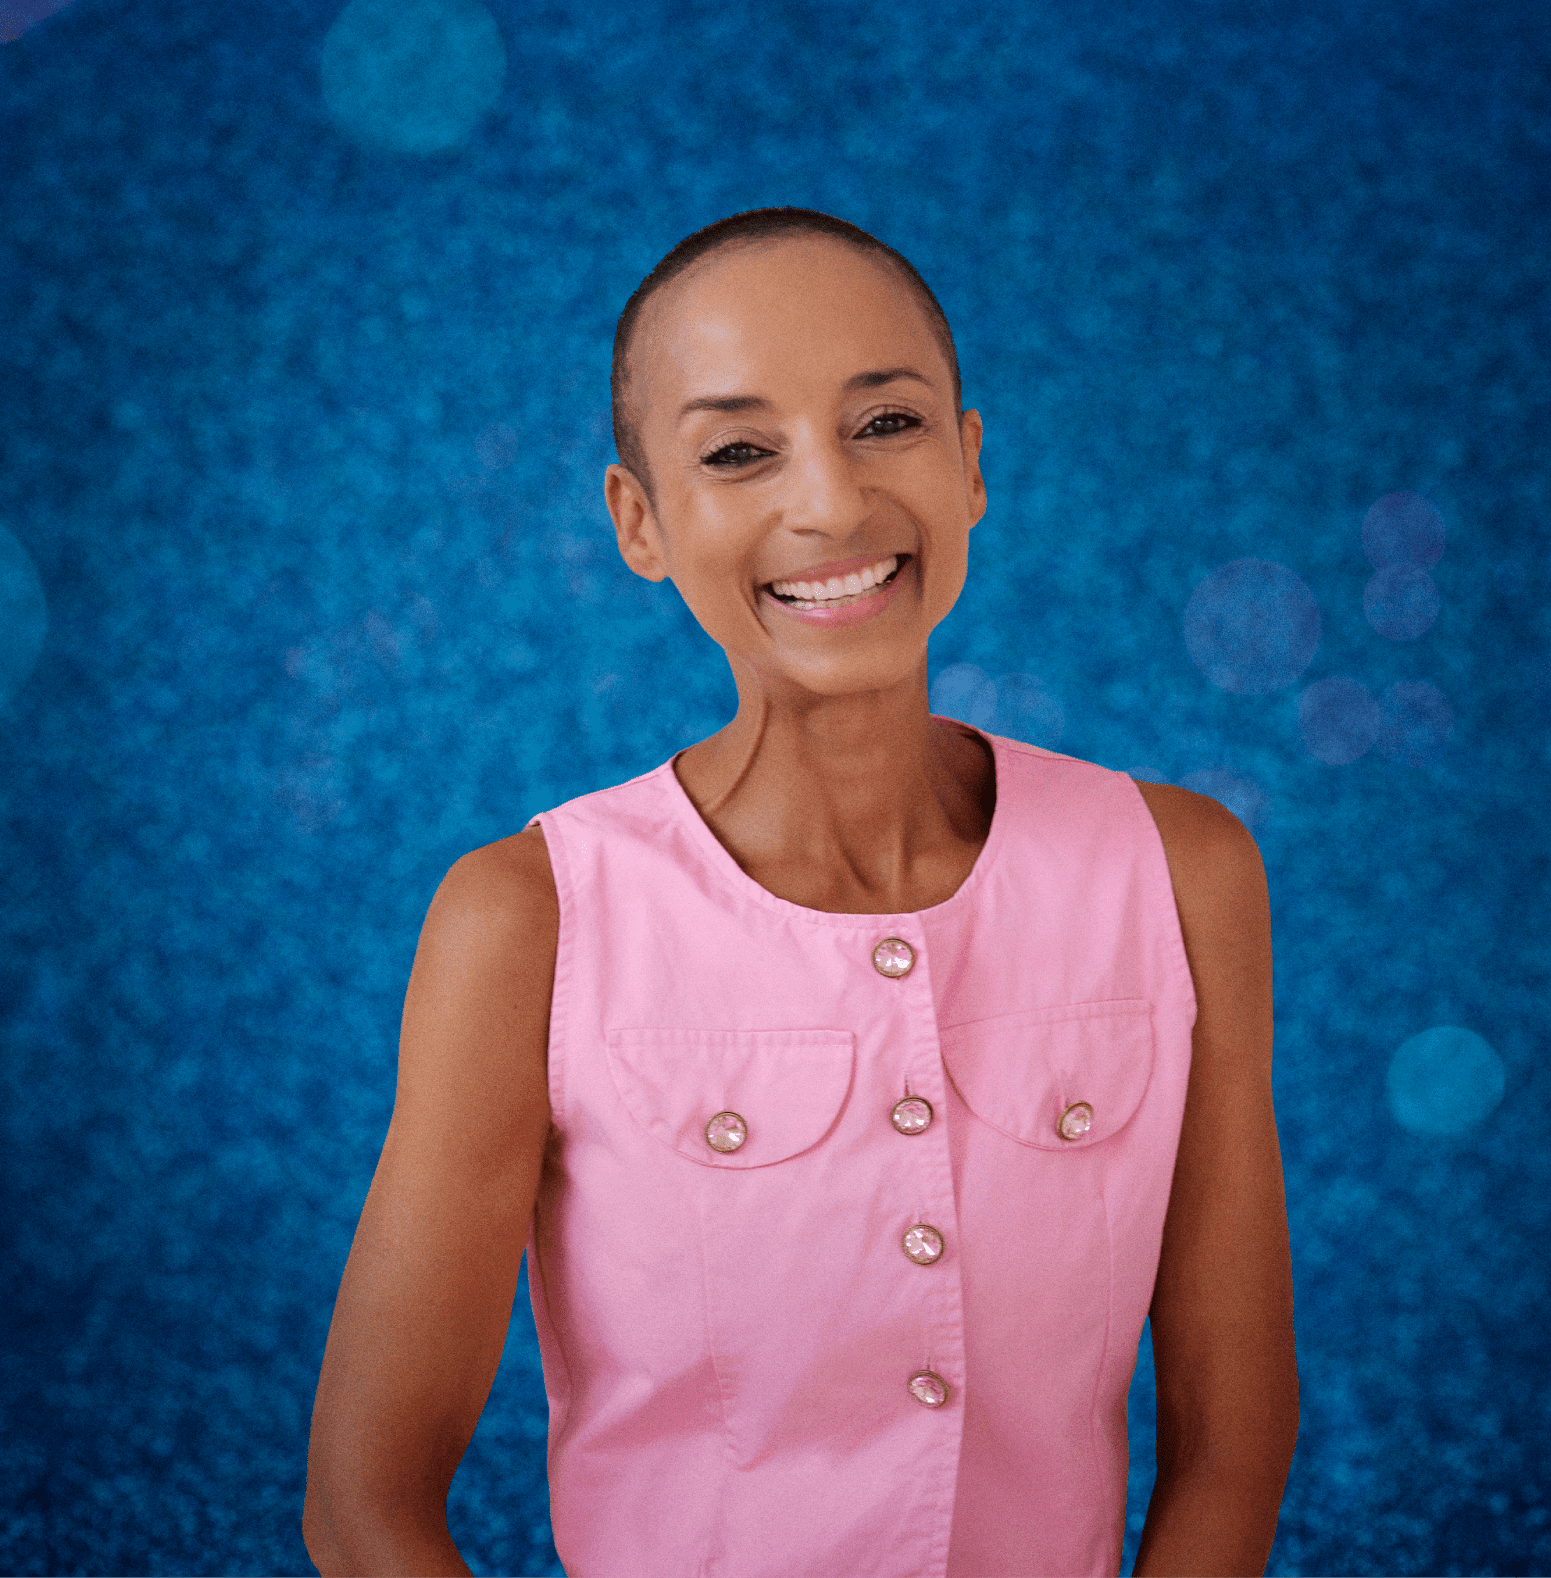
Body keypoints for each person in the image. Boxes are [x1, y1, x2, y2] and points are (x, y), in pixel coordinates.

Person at [303, 207, 1298, 1577]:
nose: (828, 502)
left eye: (885, 422)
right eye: (737, 451)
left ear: (971, 461)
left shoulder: (1181, 872)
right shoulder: (525, 920)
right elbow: (367, 1507)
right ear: (640, 521)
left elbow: (1230, 1442)